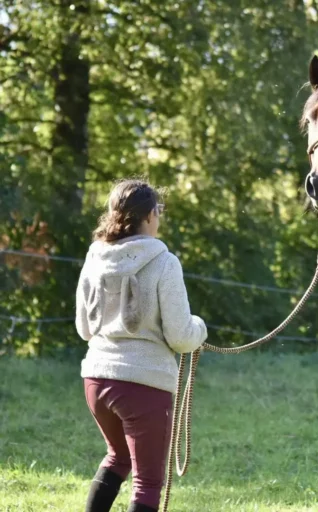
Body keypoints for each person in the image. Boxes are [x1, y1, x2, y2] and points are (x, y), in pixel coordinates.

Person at [75, 179, 208, 512]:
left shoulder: (95, 257)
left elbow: (83, 328)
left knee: (117, 457)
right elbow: (180, 336)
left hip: (96, 381)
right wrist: (200, 330)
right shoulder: (165, 262)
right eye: (158, 211)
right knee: (147, 483)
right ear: (149, 215)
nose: (159, 217)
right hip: (144, 386)